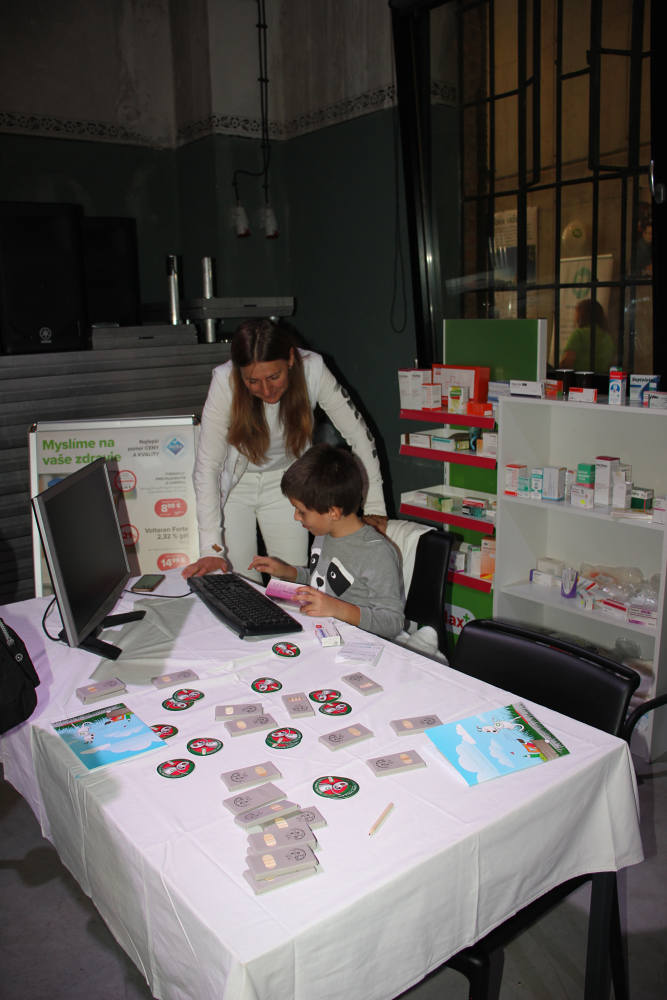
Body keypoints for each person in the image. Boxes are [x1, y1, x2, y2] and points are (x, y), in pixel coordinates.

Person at [183, 320, 387, 582]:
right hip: (234, 487)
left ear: (290, 358)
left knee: (292, 582)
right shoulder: (225, 381)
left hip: (286, 484)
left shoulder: (313, 368)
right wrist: (211, 548)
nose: (266, 390)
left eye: (273, 377)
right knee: (239, 584)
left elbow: (359, 435)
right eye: (253, 381)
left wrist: (375, 506)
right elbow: (208, 466)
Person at [248, 444, 404, 640]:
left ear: (333, 512)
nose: (296, 517)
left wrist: (336, 609)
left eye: (302, 511)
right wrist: (288, 572)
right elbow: (321, 581)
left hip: (359, 643)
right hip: (322, 633)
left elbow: (392, 622)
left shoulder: (377, 553)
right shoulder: (324, 533)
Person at [559, 299, 615, 372]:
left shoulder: (579, 334)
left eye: (576, 313)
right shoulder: (608, 337)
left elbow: (567, 363)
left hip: (580, 378)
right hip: (602, 378)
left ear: (581, 315)